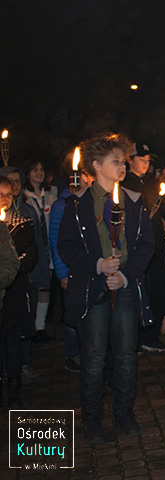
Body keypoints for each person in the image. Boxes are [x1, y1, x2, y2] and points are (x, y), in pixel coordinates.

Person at [57, 133, 154, 443]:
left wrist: (125, 275)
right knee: (94, 357)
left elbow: (146, 245)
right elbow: (67, 246)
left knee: (126, 356)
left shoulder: (135, 202)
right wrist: (98, 266)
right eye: (115, 161)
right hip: (92, 289)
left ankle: (124, 413)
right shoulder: (76, 205)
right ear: (96, 165)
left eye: (124, 161)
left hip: (123, 287)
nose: (122, 166)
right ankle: (92, 419)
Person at [122, 142, 165, 353]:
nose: (145, 163)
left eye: (148, 160)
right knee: (137, 290)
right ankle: (135, 337)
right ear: (130, 160)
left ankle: (152, 336)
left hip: (157, 244)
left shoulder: (154, 183)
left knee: (158, 290)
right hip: (134, 246)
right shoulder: (123, 183)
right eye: (141, 159)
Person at [49, 162, 96, 373]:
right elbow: (56, 240)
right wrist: (61, 272)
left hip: (88, 267)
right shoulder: (62, 204)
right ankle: (72, 353)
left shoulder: (92, 200)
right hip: (69, 268)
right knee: (73, 312)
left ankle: (89, 351)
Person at [0, 176, 37, 408]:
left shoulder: (21, 223)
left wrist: (8, 274)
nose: (4, 199)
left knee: (12, 337)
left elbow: (29, 256)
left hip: (13, 288)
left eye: (7, 194)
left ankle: (14, 384)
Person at [23, 160, 58, 343]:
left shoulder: (51, 194)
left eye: (41, 169)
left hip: (50, 246)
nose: (39, 173)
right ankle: (30, 327)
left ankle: (40, 326)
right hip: (34, 247)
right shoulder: (24, 196)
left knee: (46, 285)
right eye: (34, 170)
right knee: (34, 287)